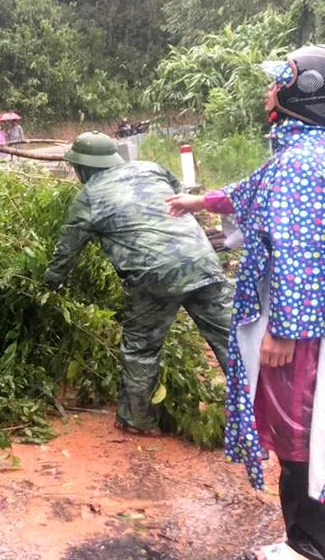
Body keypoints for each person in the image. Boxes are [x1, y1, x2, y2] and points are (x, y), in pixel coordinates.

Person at [167, 45, 325, 560]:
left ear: (301, 93)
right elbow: (252, 188)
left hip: (299, 327)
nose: (267, 92)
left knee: (298, 432)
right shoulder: (304, 153)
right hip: (310, 318)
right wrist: (199, 200)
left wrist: (284, 330)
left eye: (276, 83)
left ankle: (307, 544)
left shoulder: (300, 164)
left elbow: (299, 251)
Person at [44, 131, 233, 435]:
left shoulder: (88, 196)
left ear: (82, 167)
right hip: (202, 261)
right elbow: (181, 201)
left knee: (141, 347)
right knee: (230, 338)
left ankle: (138, 420)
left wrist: (49, 285)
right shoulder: (152, 168)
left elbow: (67, 250)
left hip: (152, 276)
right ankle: (262, 410)